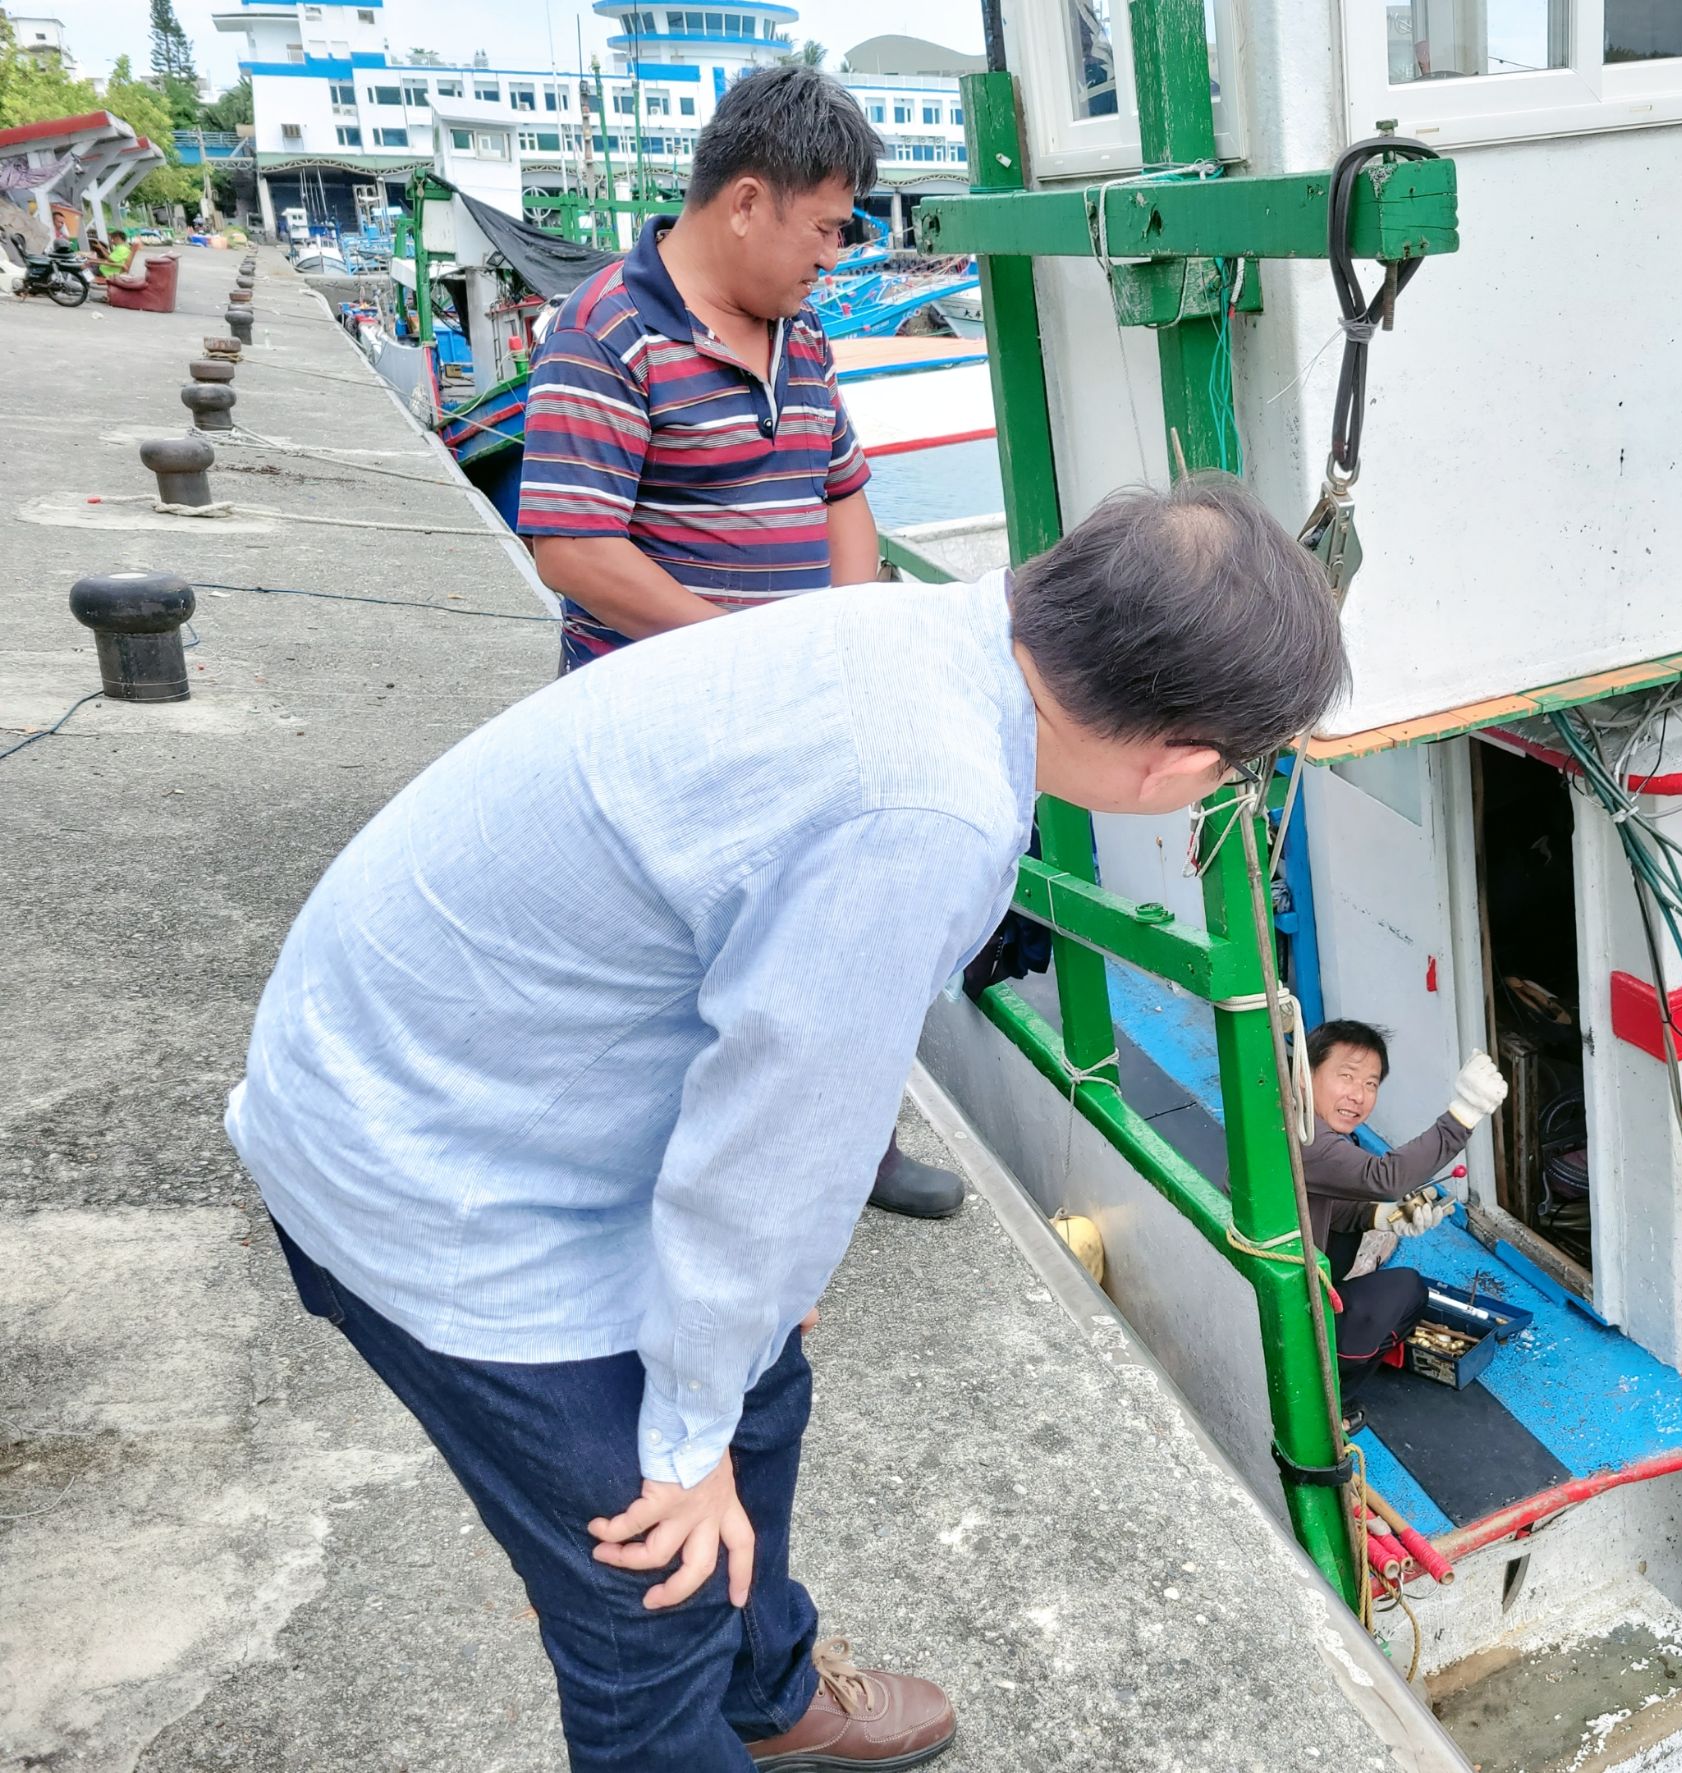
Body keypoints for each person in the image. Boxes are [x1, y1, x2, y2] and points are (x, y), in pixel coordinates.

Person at [225, 472, 1349, 1771]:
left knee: (761, 1377)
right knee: (651, 1588)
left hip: (463, 1062)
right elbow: (772, 1152)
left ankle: (772, 1701)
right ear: (1186, 763)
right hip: (429, 1172)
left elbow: (781, 1103)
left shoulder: (922, 630)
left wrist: (740, 1329)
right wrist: (683, 1431)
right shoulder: (925, 806)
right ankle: (716, 1693)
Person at [513, 65, 961, 1220]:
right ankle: (684, 1183)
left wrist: (850, 636)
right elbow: (571, 546)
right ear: (748, 202)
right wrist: (742, 654)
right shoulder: (607, 330)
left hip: (794, 705)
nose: (832, 258)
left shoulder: (801, 339)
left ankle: (848, 1151)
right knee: (686, 970)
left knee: (838, 938)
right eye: (822, 229)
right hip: (669, 724)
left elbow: (842, 493)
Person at [1299, 1021, 1507, 1393]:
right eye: (1346, 1076)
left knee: (1356, 1243)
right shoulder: (1308, 1140)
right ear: (1303, 1074)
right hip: (1291, 1316)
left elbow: (1321, 1201)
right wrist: (1463, 1115)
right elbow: (1386, 1178)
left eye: (1370, 1084)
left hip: (1280, 1289)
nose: (1358, 1096)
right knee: (1408, 1290)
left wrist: (1380, 1217)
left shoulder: (1291, 1119)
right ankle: (1331, 1401)